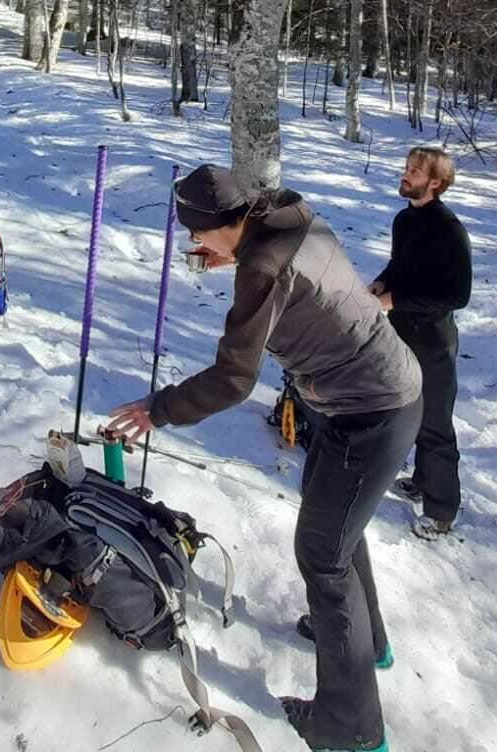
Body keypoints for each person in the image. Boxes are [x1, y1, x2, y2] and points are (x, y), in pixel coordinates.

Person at [106, 165, 421, 752]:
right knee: (336, 533)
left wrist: (159, 408)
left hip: (372, 412)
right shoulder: (288, 218)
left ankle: (351, 728)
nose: (195, 243)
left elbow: (234, 378)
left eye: (196, 233)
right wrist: (238, 255)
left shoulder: (263, 267)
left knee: (323, 556)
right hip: (367, 395)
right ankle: (366, 643)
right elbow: (292, 281)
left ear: (217, 225)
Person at [369, 146, 472, 540]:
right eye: (406, 167)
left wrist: (395, 299)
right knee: (408, 412)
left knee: (435, 425)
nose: (405, 174)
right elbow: (402, 266)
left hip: (433, 342)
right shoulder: (404, 220)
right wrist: (383, 281)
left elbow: (457, 295)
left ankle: (442, 510)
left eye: (414, 171)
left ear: (436, 183)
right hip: (400, 334)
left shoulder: (449, 229)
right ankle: (423, 481)